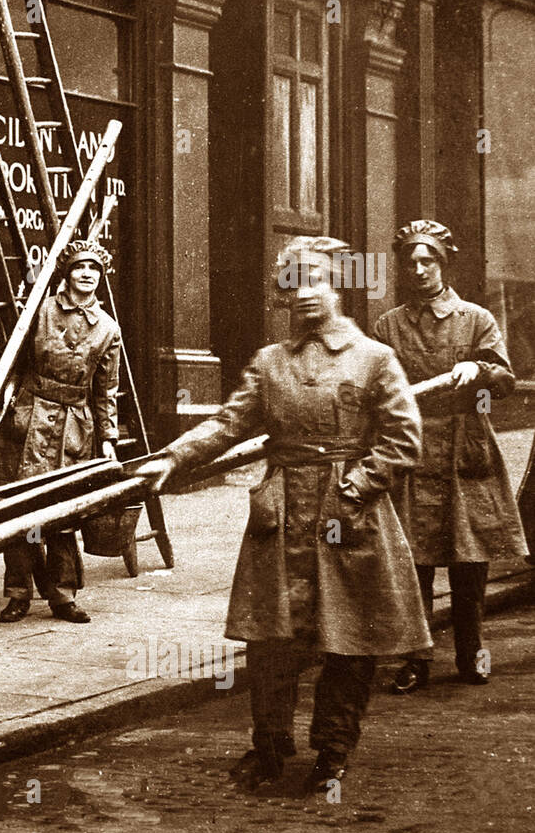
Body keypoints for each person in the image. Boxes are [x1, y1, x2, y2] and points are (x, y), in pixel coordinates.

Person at [135, 237, 428, 793]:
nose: (306, 295)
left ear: (338, 285)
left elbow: (403, 440)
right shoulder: (269, 363)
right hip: (281, 515)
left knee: (349, 642)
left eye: (316, 281)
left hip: (351, 517)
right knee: (271, 641)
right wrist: (172, 458)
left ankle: (333, 752)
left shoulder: (375, 359)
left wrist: (358, 484)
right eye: (294, 285)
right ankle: (268, 748)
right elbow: (228, 424)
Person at [373, 220, 528, 693]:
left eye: (428, 261)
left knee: (469, 562)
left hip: (466, 455)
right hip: (412, 451)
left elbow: (505, 382)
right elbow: (377, 387)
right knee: (413, 562)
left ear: (443, 264)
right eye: (411, 262)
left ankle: (471, 653)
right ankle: (415, 660)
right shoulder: (388, 324)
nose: (419, 270)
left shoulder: (476, 319)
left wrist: (477, 367)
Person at [0, 239, 121, 625]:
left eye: (94, 269)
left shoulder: (108, 329)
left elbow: (107, 391)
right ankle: (18, 594)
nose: (87, 275)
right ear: (67, 274)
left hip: (76, 427)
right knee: (22, 511)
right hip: (31, 419)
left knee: (65, 513)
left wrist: (107, 438)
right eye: (79, 268)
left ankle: (62, 597)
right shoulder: (41, 310)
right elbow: (13, 365)